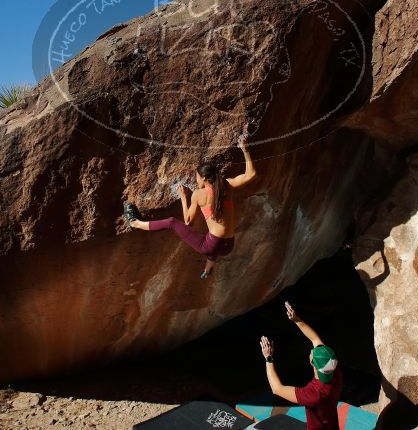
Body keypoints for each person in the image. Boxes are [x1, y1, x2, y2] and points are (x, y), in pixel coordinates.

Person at [123, 136, 256, 279]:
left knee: (172, 222)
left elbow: (188, 222)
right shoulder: (227, 185)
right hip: (228, 246)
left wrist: (183, 199)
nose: (196, 179)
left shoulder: (199, 195)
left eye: (197, 177)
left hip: (213, 244)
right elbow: (251, 175)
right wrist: (245, 149)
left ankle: (135, 223)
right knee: (212, 247)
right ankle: (208, 268)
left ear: (204, 178)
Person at [260, 302, 342, 430]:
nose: (311, 350)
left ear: (312, 363)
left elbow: (276, 389)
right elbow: (315, 339)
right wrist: (296, 319)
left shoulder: (314, 394)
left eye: (312, 353)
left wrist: (268, 358)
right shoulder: (333, 371)